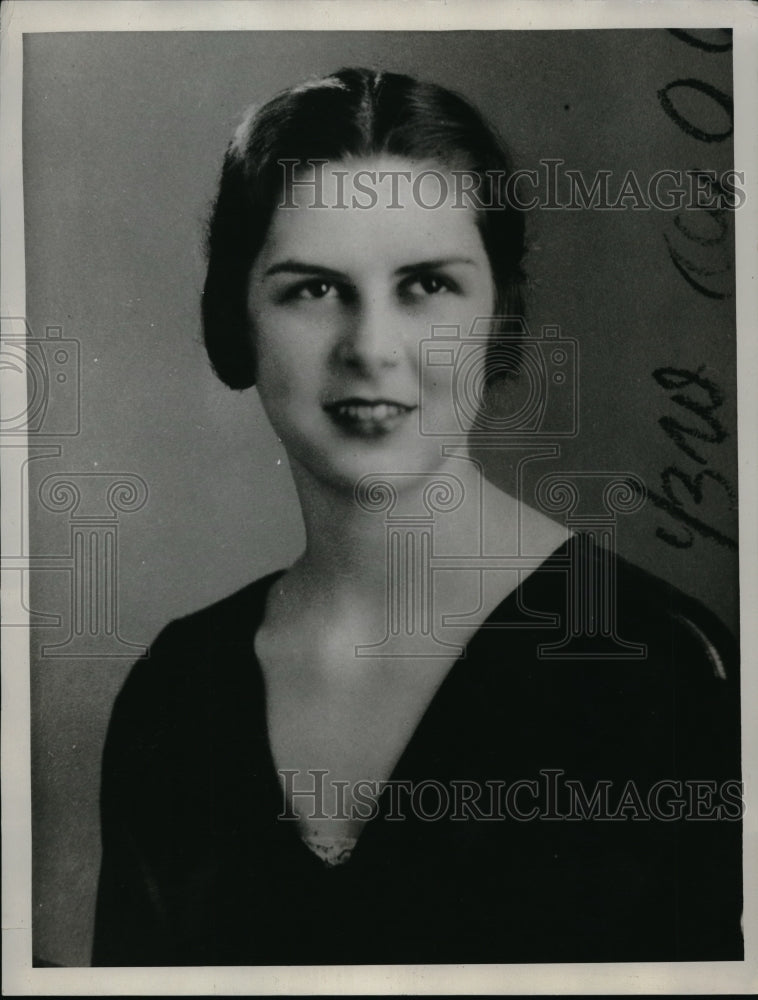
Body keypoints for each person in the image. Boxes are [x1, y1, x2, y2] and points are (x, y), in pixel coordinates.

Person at [92, 67, 742, 966]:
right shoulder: (179, 693)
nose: (372, 348)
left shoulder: (661, 670)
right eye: (313, 289)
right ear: (236, 318)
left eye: (427, 285)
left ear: (499, 315)